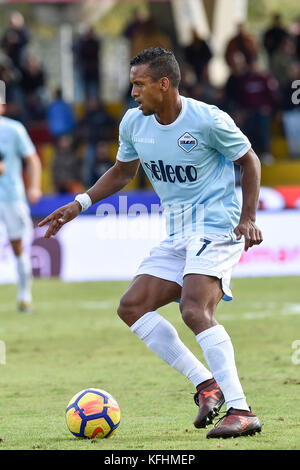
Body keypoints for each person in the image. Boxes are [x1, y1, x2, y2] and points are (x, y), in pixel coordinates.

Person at [38, 48, 263, 439]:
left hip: (218, 224)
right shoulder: (133, 123)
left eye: (140, 85)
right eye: (132, 85)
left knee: (194, 309)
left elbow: (250, 161)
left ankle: (241, 409)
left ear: (164, 84)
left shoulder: (208, 120)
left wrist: (248, 219)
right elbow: (123, 172)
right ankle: (206, 384)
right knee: (133, 307)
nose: (134, 93)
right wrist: (79, 203)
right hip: (177, 231)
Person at [0, 103, 42, 312]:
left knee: (17, 245)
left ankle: (24, 294)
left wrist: (34, 187)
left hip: (10, 196)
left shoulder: (13, 129)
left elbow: (32, 160)